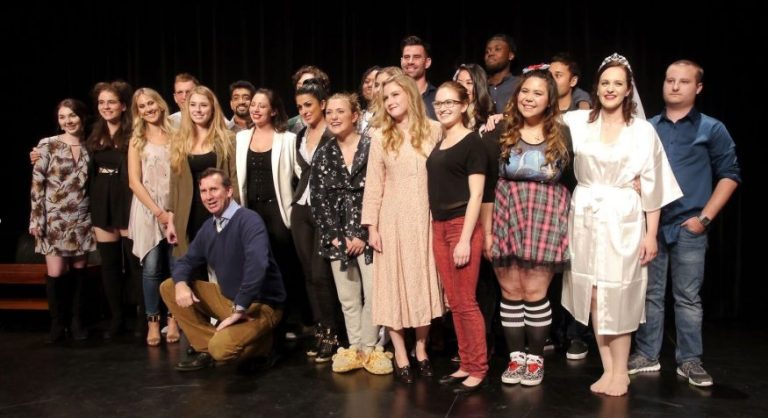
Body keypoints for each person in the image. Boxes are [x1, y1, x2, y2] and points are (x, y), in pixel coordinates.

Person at [561, 53, 682, 397]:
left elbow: (654, 185)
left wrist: (651, 234)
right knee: (595, 295)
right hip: (585, 215)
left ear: (629, 89)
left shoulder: (643, 131)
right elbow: (535, 117)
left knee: (620, 294)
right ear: (596, 88)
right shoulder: (578, 122)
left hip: (624, 218)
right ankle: (609, 369)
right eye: (604, 83)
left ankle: (622, 372)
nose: (610, 89)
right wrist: (495, 117)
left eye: (618, 83)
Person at [628, 60, 741, 387]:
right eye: (669, 80)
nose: (675, 86)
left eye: (683, 81)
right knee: (650, 293)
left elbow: (730, 175)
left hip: (688, 226)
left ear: (698, 88)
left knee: (687, 297)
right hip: (651, 225)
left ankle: (689, 360)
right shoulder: (647, 127)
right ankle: (647, 354)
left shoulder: (711, 128)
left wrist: (704, 218)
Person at [482, 67, 573, 387]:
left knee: (534, 293)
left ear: (549, 99)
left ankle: (535, 359)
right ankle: (515, 357)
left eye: (538, 93)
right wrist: (489, 232)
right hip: (507, 214)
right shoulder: (500, 131)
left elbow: (574, 179)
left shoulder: (561, 133)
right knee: (510, 292)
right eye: (525, 91)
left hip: (546, 218)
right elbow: (488, 185)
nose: (529, 98)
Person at [361, 74, 444, 384]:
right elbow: (374, 185)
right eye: (385, 98)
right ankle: (399, 353)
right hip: (391, 219)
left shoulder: (435, 131)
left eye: (395, 94)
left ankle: (421, 349)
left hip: (425, 218)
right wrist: (371, 226)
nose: (390, 101)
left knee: (421, 283)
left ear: (410, 95)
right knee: (393, 287)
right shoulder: (381, 137)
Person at [160, 168, 285, 371]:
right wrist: (181, 283)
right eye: (203, 191)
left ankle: (266, 344)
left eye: (214, 190)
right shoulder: (209, 228)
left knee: (222, 350)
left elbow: (257, 265)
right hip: (228, 301)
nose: (208, 197)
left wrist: (240, 308)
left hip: (260, 306)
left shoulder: (248, 220)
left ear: (229, 191)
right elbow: (186, 261)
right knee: (169, 286)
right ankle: (207, 348)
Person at [311, 93, 392, 374]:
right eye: (330, 111)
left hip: (369, 234)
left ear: (355, 115)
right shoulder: (324, 152)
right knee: (347, 297)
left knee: (373, 293)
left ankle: (370, 349)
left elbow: (383, 191)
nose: (333, 117)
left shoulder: (372, 147)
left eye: (340, 111)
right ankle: (355, 348)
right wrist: (336, 236)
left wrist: (361, 234)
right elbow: (317, 198)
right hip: (337, 237)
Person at [426, 81, 488, 393]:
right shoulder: (440, 140)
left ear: (464, 105)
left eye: (451, 102)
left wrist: (465, 238)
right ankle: (465, 362)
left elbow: (477, 194)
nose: (444, 107)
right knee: (454, 301)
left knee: (466, 300)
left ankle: (478, 367)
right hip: (439, 226)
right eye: (439, 103)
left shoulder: (471, 142)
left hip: (461, 225)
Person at [29, 98, 96, 342]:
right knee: (56, 271)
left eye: (72, 116)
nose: (68, 121)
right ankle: (58, 324)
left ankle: (77, 322)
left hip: (82, 216)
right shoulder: (47, 145)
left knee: (80, 270)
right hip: (54, 218)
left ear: (83, 117)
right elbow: (37, 184)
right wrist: (36, 218)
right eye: (62, 117)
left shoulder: (92, 145)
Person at [548, 53, 593, 361]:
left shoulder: (584, 114)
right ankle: (553, 332)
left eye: (558, 75)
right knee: (551, 269)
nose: (552, 80)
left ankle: (577, 333)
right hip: (549, 200)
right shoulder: (539, 111)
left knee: (578, 267)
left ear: (573, 81)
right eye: (548, 74)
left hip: (578, 197)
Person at [126, 88, 179, 346]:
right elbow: (134, 182)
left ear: (160, 104)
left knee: (175, 266)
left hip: (174, 210)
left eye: (151, 103)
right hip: (148, 211)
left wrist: (171, 212)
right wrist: (158, 212)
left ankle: (174, 319)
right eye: (142, 106)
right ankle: (153, 322)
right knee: (151, 268)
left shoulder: (176, 134)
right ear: (138, 112)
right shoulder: (137, 140)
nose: (148, 108)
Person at [289, 80, 337, 360]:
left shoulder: (333, 133)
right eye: (299, 107)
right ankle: (320, 330)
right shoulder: (299, 136)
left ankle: (332, 332)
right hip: (301, 207)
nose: (304, 111)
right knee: (308, 273)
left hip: (325, 208)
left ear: (322, 103)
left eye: (308, 105)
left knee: (321, 274)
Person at [86, 80, 138, 339]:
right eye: (102, 102)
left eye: (111, 102)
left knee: (134, 262)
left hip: (127, 198)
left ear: (123, 106)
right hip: (101, 200)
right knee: (110, 266)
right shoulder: (95, 135)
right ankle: (117, 318)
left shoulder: (134, 133)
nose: (106, 107)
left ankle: (141, 317)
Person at [166, 85, 239, 264]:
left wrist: (234, 214)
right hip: (188, 213)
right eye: (193, 105)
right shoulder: (179, 140)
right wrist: (170, 221)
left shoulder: (227, 139)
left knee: (221, 267)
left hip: (218, 210)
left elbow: (234, 178)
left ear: (212, 108)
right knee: (192, 269)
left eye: (203, 105)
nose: (197, 110)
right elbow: (174, 183)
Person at [400, 35, 437, 120]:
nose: (410, 61)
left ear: (427, 62)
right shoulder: (394, 96)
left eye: (416, 57)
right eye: (406, 57)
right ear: (401, 61)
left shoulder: (438, 97)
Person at [287, 65, 331, 133]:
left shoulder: (333, 122)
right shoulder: (290, 125)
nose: (303, 89)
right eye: (299, 86)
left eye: (308, 84)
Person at [484, 34, 520, 114]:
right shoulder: (481, 85)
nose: (490, 54)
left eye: (497, 49)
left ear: (510, 56)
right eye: (487, 51)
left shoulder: (520, 84)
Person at [453, 63, 495, 130]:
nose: (463, 87)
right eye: (459, 83)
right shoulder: (450, 114)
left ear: (479, 86)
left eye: (469, 83)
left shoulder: (488, 119)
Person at [358, 65, 381, 135]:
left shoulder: (388, 115)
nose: (370, 85)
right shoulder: (358, 115)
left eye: (375, 83)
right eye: (367, 81)